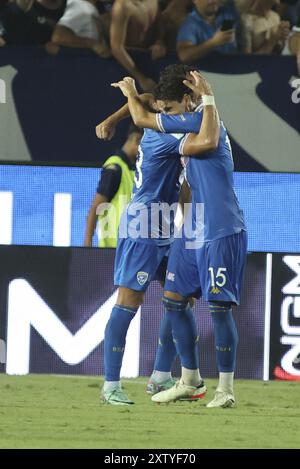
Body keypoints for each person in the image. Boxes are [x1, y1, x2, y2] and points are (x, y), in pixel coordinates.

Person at [116, 66, 247, 408]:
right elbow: (148, 114)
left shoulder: (205, 121)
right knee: (174, 298)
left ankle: (226, 389)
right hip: (193, 229)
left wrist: (208, 98)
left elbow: (208, 140)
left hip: (221, 225)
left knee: (219, 309)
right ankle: (190, 380)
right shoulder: (187, 120)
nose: (166, 115)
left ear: (188, 100)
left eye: (171, 109)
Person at [95, 66, 219, 405]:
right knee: (128, 303)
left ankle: (161, 378)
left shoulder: (162, 115)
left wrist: (118, 113)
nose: (192, 103)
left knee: (180, 299)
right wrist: (126, 104)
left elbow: (147, 99)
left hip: (165, 223)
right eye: (190, 98)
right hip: (143, 224)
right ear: (179, 101)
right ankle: (110, 386)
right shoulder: (167, 134)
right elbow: (204, 138)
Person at [84, 124, 142, 248]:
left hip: (127, 250)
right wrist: (87, 245)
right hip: (111, 251)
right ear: (137, 139)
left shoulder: (134, 170)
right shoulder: (114, 168)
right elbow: (95, 209)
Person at [109, 0, 167, 92]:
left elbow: (159, 24)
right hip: (127, 68)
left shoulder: (154, 1)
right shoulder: (122, 6)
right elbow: (116, 48)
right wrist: (141, 78)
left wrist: (159, 42)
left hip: (150, 61)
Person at [176, 0, 245, 63]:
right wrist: (214, 42)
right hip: (210, 71)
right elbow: (184, 56)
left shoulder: (228, 11)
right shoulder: (189, 25)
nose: (213, 1)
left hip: (235, 66)